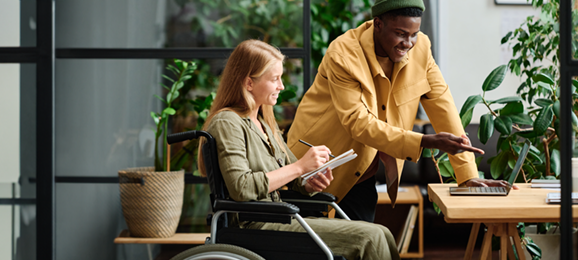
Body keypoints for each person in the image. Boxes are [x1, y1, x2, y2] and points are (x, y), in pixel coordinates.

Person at [287, 0, 515, 223]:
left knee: (364, 247)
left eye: (414, 34)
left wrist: (468, 176)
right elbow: (358, 123)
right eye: (401, 33)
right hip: (313, 168)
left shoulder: (421, 49)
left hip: (360, 174)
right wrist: (425, 141)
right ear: (378, 24)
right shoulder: (344, 54)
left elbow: (442, 106)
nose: (408, 43)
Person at [199, 39, 400, 260]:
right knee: (371, 238)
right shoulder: (227, 122)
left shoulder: (264, 124)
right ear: (249, 83)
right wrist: (300, 167)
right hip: (256, 225)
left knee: (383, 233)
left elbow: (294, 176)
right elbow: (241, 187)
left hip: (278, 218)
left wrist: (308, 181)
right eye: (275, 79)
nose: (281, 86)